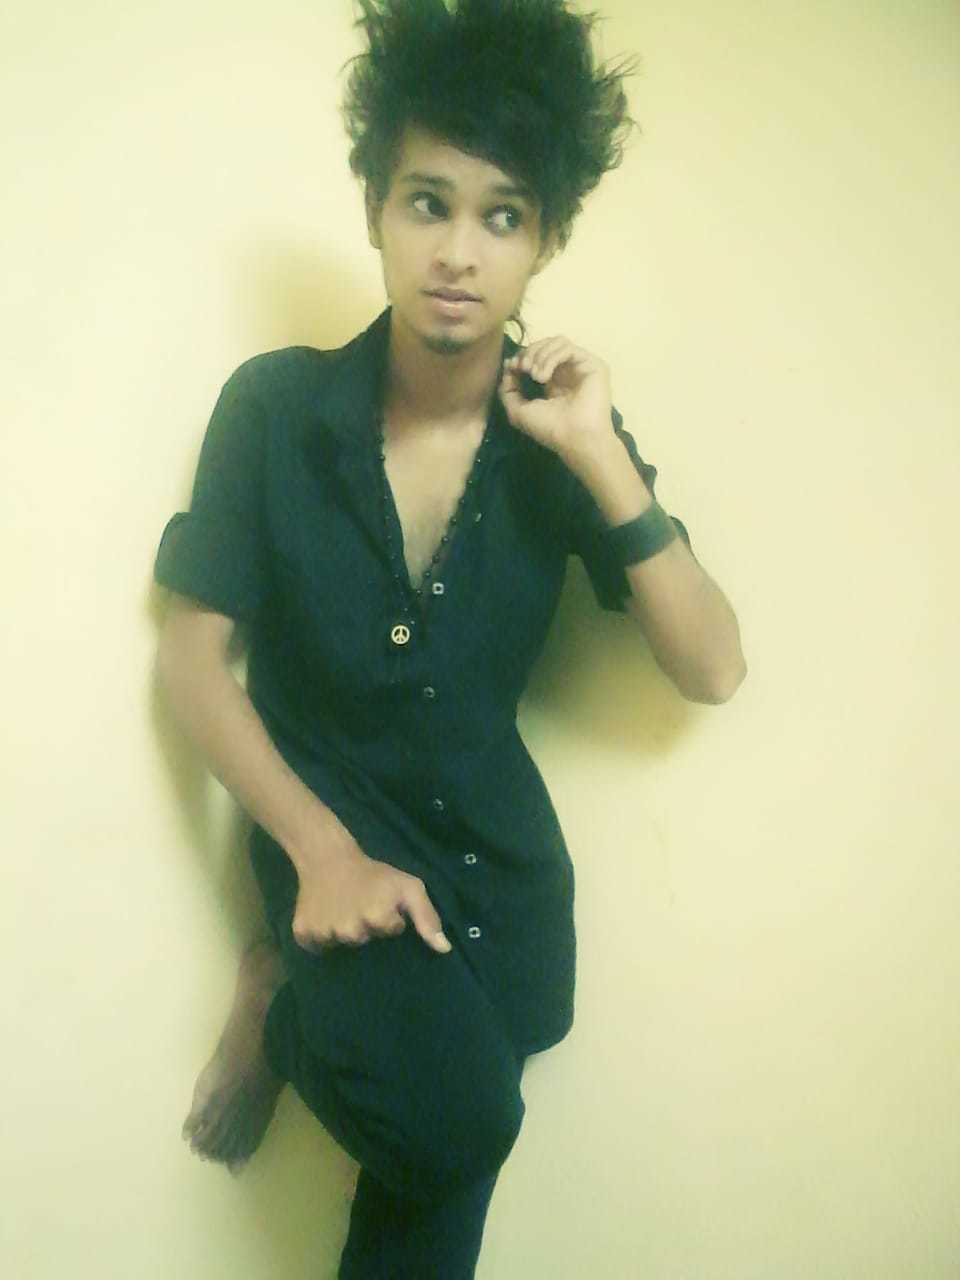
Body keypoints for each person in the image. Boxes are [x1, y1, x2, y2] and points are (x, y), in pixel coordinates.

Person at [153, 0, 747, 1274]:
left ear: (546, 241)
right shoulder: (273, 410)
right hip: (339, 861)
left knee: (437, 1161)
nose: (459, 253)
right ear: (376, 205)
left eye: (503, 216)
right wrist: (318, 855)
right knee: (465, 1126)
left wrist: (599, 455)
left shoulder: (558, 440)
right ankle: (286, 986)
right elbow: (192, 662)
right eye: (429, 202)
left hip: (503, 895)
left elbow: (712, 666)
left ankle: (286, 1001)